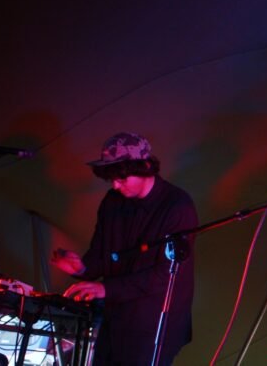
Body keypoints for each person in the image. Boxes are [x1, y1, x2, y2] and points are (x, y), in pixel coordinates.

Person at [51, 132, 197, 365]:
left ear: (146, 167)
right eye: (112, 180)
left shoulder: (177, 206)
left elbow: (165, 275)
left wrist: (105, 289)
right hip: (115, 318)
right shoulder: (112, 202)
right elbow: (102, 255)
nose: (116, 185)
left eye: (122, 178)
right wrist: (82, 268)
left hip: (153, 323)